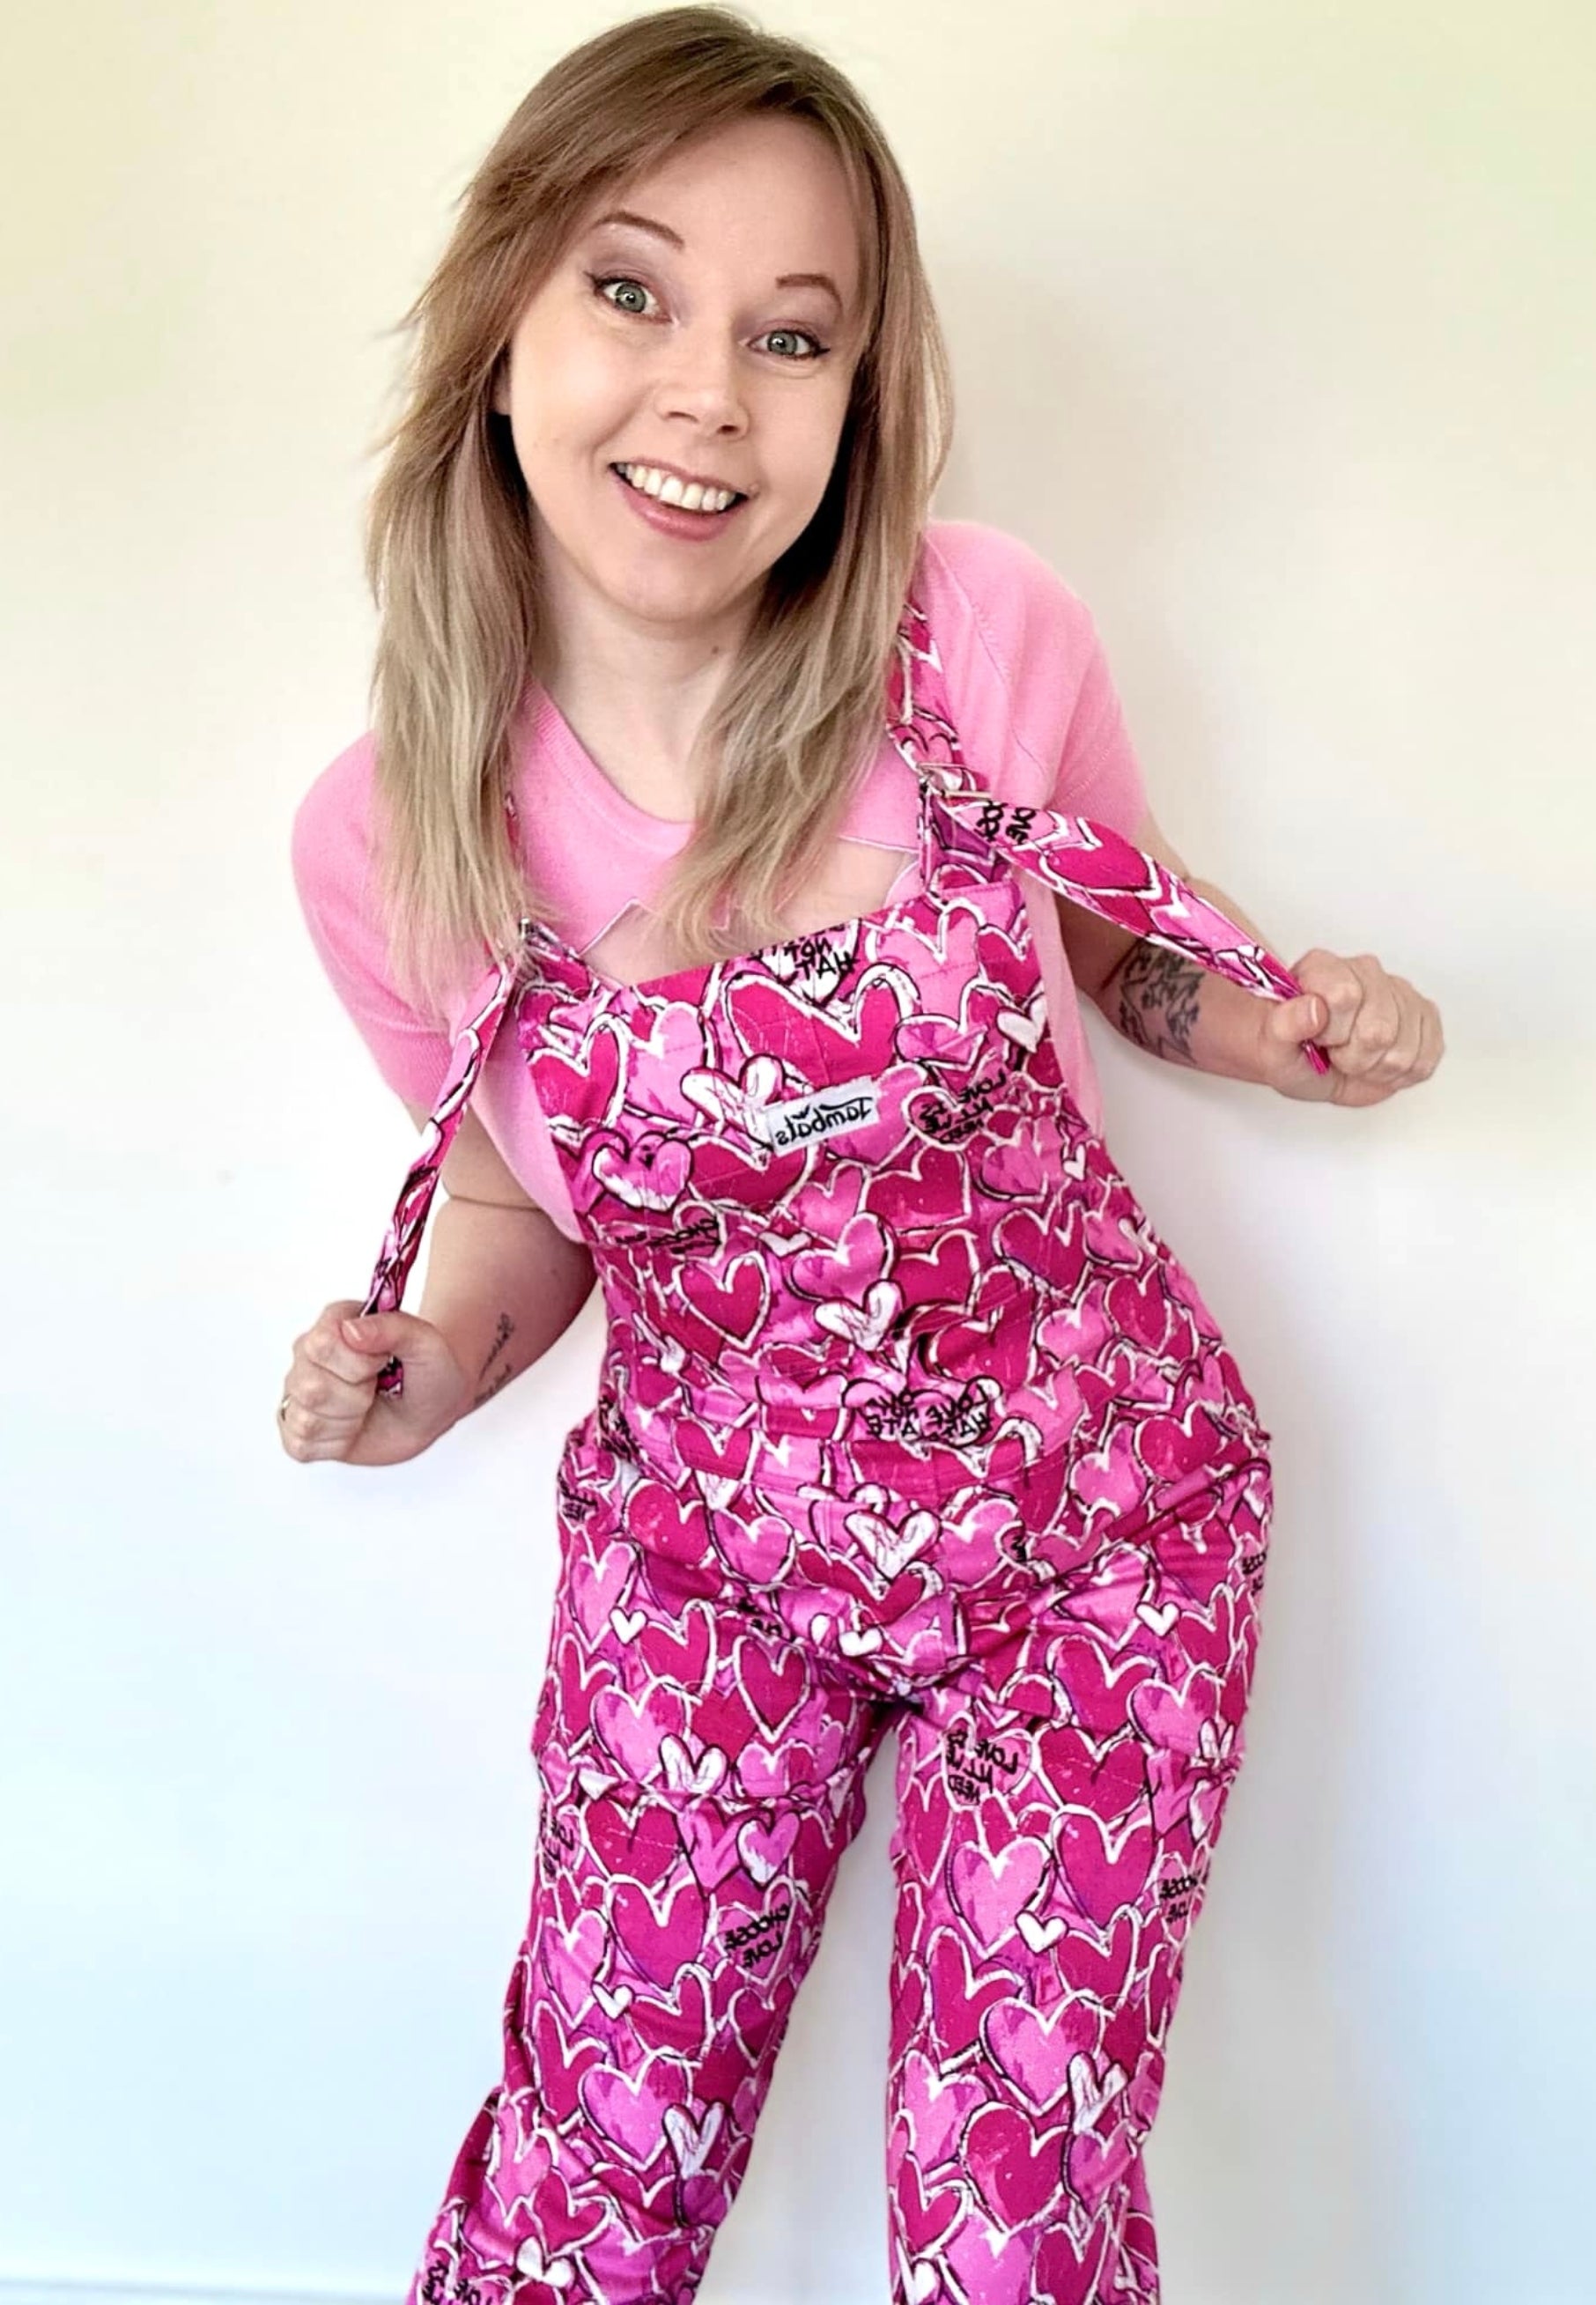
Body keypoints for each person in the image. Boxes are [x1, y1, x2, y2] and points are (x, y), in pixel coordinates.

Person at [280, 9, 1444, 2301]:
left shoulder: (976, 637)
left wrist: (1292, 1033)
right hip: (705, 1562)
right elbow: (529, 1193)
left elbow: (1123, 964)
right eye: (630, 289)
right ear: (499, 321)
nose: (708, 386)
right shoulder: (388, 834)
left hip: (1091, 1528)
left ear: (860, 395)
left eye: (790, 333)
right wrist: (431, 1359)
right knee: (586, 2173)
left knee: (1014, 2214)